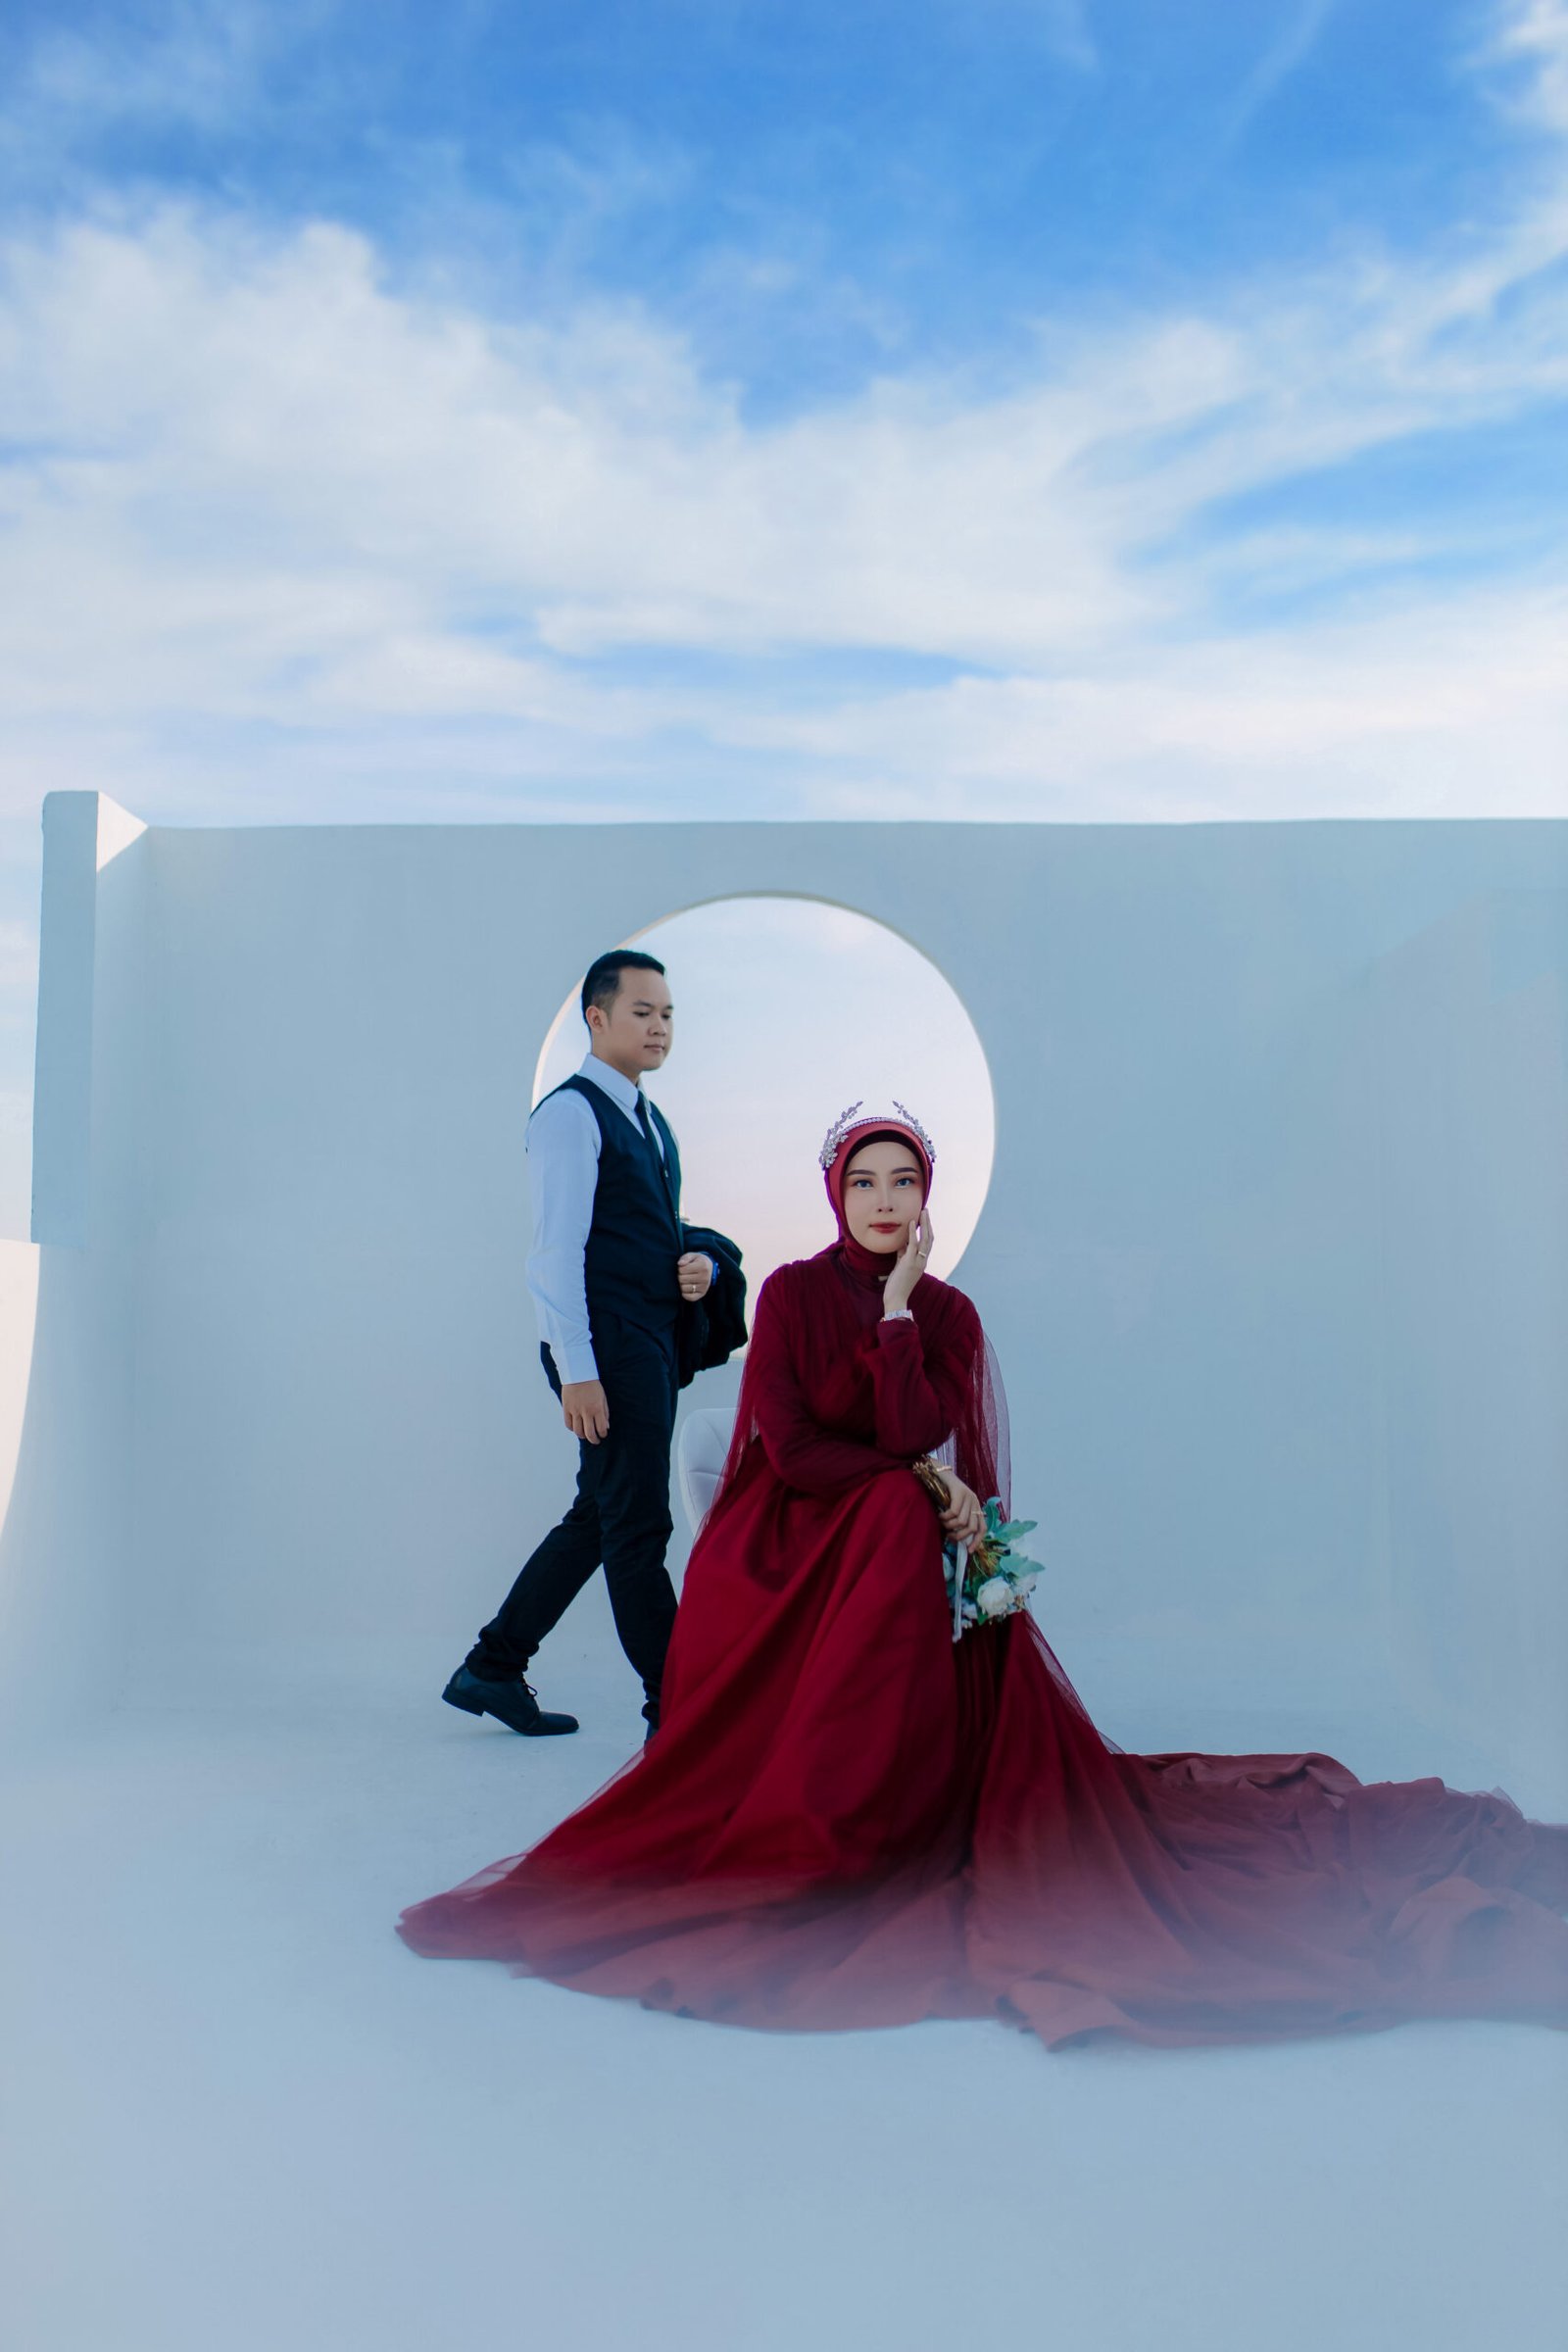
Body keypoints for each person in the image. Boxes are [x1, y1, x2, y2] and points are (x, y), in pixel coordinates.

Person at [403, 1105, 1568, 2051]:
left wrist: (898, 1319)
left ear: (926, 1196)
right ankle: (832, 1806)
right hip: (786, 1536)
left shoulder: (946, 1311)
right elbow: (796, 1453)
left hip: (882, 1531)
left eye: (903, 1181)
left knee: (894, 1515)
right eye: (864, 1181)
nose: (883, 1200)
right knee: (887, 1508)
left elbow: (920, 1424)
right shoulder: (793, 1293)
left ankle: (892, 1783)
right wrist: (918, 1480)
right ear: (835, 1194)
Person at [442, 949, 724, 1740]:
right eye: (643, 1012)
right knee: (638, 1528)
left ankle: (494, 1665)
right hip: (607, 1348)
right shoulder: (570, 1114)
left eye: (668, 1014)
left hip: (643, 1342)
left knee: (601, 1516)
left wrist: (697, 1264)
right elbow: (554, 1255)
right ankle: (678, 1712)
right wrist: (578, 1371)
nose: (660, 1026)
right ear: (597, 1019)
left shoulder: (649, 1118)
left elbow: (648, 1229)